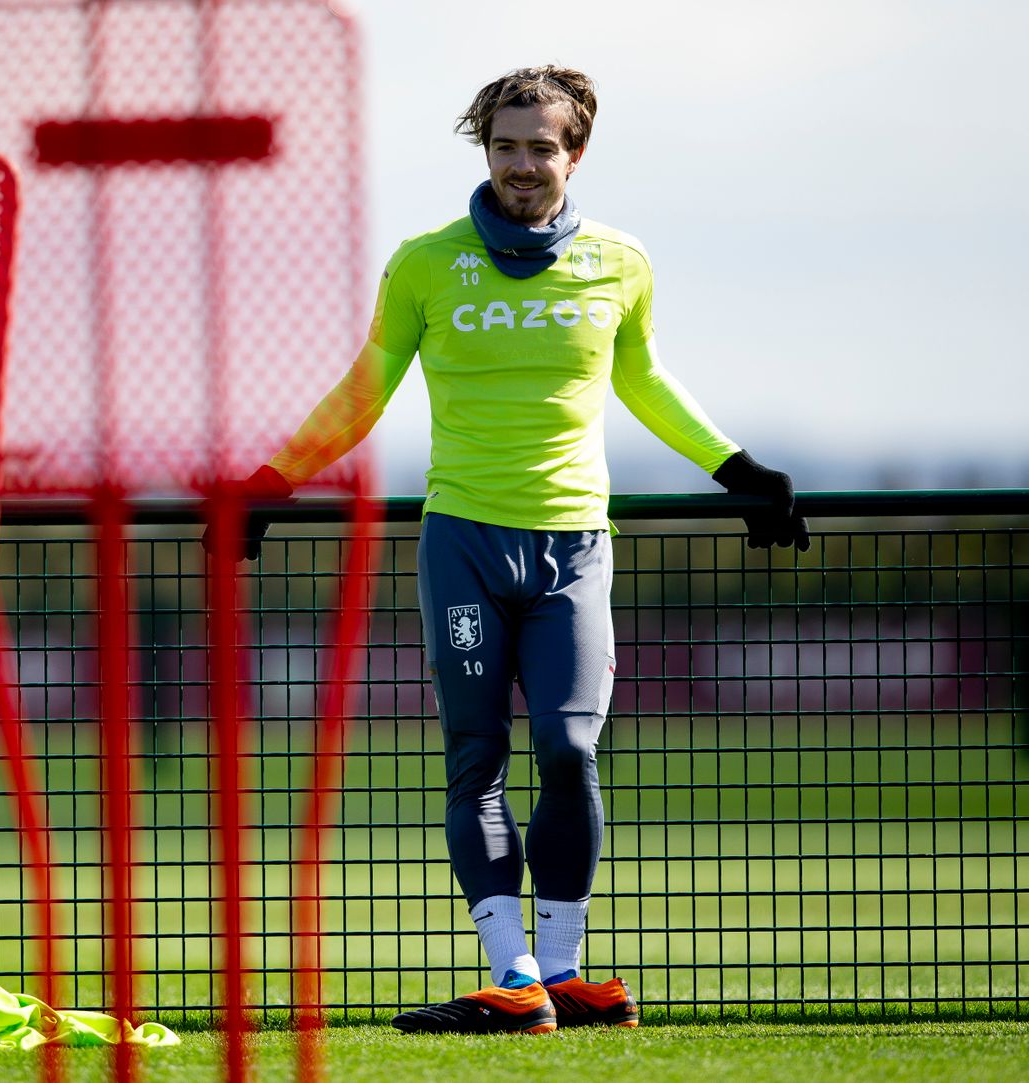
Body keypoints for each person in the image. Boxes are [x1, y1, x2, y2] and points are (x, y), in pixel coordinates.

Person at [206, 66, 808, 1033]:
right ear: (483, 150)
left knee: (569, 750)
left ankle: (565, 972)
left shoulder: (621, 261)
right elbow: (365, 392)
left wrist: (735, 469)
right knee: (475, 755)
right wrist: (269, 485)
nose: (523, 165)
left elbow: (644, 376)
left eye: (542, 147)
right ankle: (516, 974)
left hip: (575, 547)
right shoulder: (426, 264)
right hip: (464, 544)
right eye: (505, 146)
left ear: (576, 152)